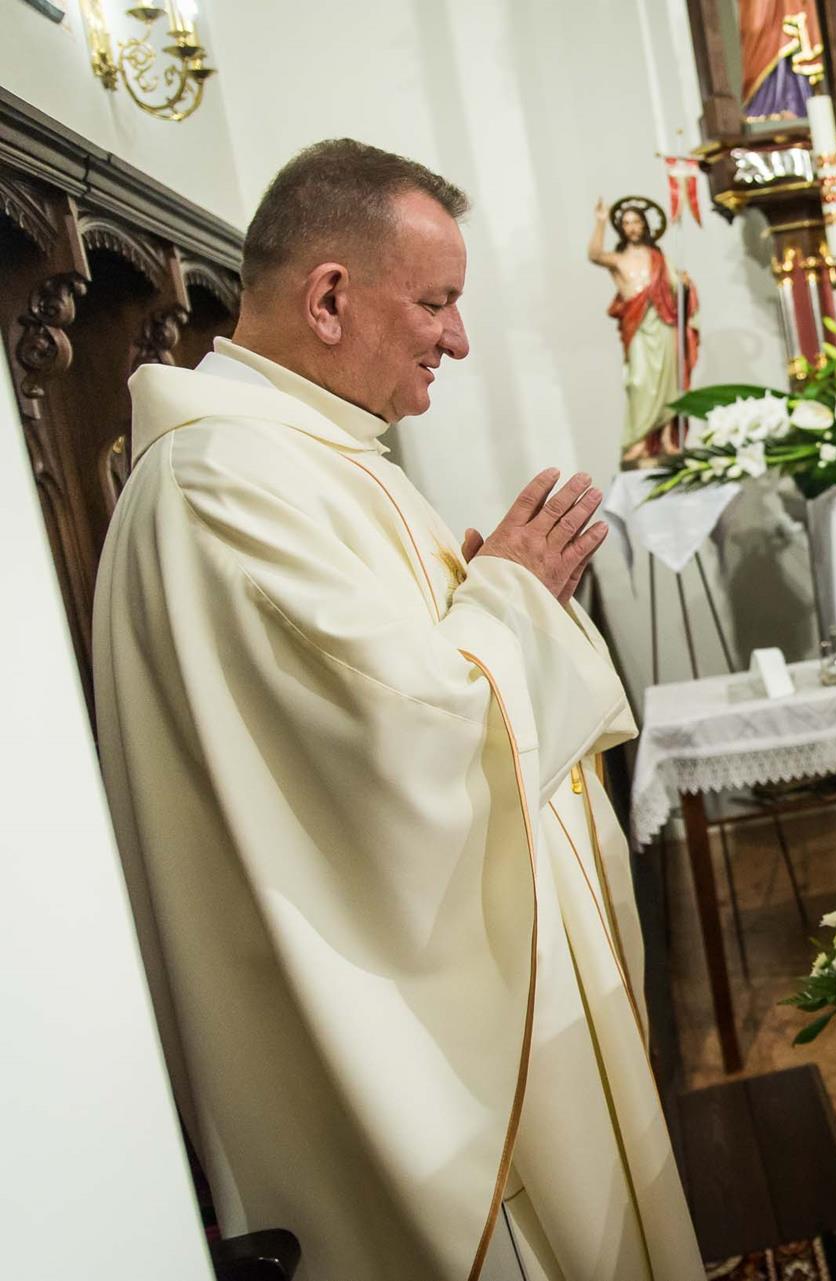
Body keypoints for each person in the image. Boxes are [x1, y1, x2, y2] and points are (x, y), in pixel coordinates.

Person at [93, 139, 701, 1281]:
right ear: (329, 298)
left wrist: (492, 602)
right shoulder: (225, 481)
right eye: (435, 302)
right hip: (413, 1067)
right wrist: (509, 598)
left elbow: (407, 681)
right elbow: (407, 746)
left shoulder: (307, 455)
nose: (456, 339)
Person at [589, 195, 699, 467]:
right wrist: (601, 222)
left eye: (636, 222)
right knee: (639, 382)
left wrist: (684, 284)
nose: (632, 227)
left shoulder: (658, 258)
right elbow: (594, 255)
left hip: (663, 322)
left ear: (644, 225)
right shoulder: (618, 259)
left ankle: (667, 439)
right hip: (637, 323)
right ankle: (638, 440)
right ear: (621, 228)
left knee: (669, 383)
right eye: (627, 223)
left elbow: (675, 288)